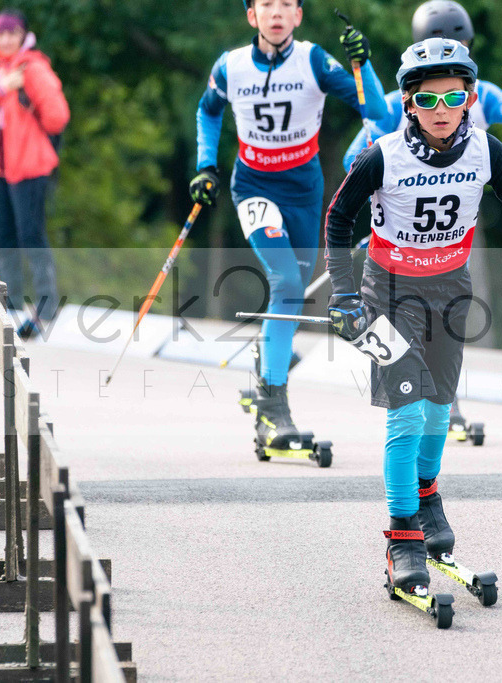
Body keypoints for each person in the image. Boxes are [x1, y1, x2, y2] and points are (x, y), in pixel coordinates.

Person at [324, 38, 502, 593]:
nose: (442, 110)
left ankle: (427, 499)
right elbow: (337, 221)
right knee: (405, 411)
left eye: (453, 97)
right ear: (408, 104)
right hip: (387, 292)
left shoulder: (487, 149)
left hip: (450, 289)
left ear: (470, 98)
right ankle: (402, 537)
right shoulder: (383, 154)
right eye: (427, 100)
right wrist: (344, 296)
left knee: (438, 409)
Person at [342, 0, 502, 442]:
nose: (448, 55)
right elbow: (355, 159)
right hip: (401, 241)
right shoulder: (402, 98)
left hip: (455, 235)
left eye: (459, 46)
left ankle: (444, 401)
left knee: (448, 321)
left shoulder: (484, 93)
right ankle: (428, 413)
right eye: (436, 45)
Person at [191, 0, 387, 458]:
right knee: (285, 284)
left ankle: (265, 371)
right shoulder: (231, 66)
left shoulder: (315, 60)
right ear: (251, 16)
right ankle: (272, 407)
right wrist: (205, 165)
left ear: (297, 16)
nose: (276, 12)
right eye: (266, 4)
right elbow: (208, 111)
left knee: (295, 293)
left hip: (303, 192)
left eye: (285, 4)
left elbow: (375, 108)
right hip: (254, 187)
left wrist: (363, 63)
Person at [0, 8, 69, 337]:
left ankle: (46, 304)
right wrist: (2, 89)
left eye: (10, 33)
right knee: (3, 235)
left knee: (30, 232)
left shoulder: (33, 67)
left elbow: (58, 117)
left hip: (27, 164)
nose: (4, 39)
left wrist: (27, 101)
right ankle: (9, 303)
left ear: (22, 35)